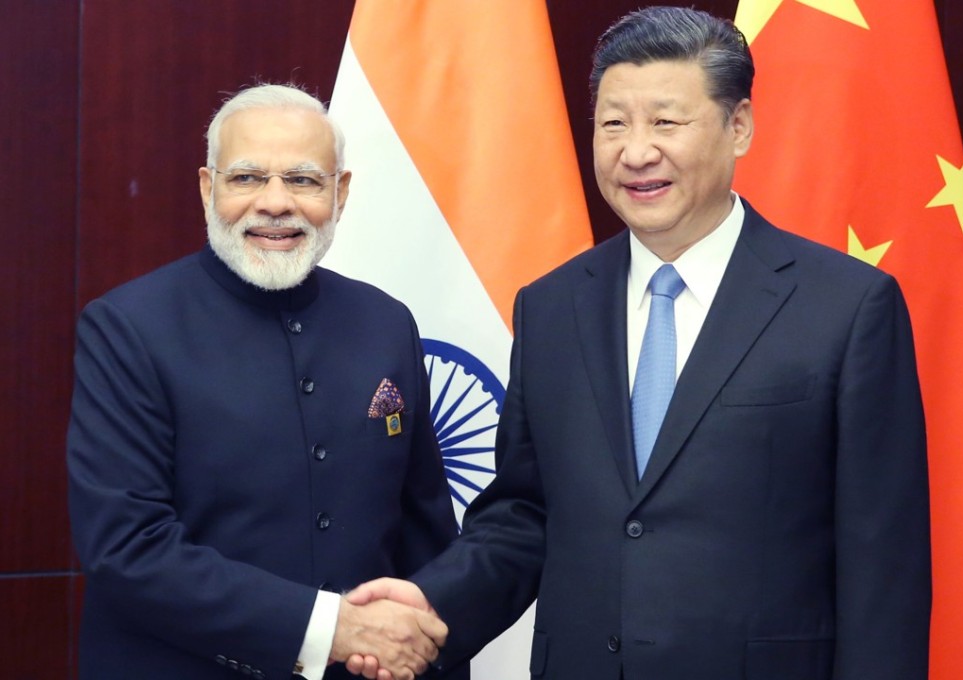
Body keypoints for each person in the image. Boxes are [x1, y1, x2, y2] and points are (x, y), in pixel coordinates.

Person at [346, 7, 931, 680]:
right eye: (614, 124)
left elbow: (882, 563)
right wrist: (433, 602)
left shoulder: (846, 307)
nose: (636, 152)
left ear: (739, 126)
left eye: (666, 122)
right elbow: (526, 513)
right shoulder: (551, 307)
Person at [66, 83, 468, 680]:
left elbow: (425, 534)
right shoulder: (129, 327)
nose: (276, 203)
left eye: (303, 180)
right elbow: (127, 547)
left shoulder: (386, 323)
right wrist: (330, 629)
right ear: (208, 187)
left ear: (340, 192)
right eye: (247, 178)